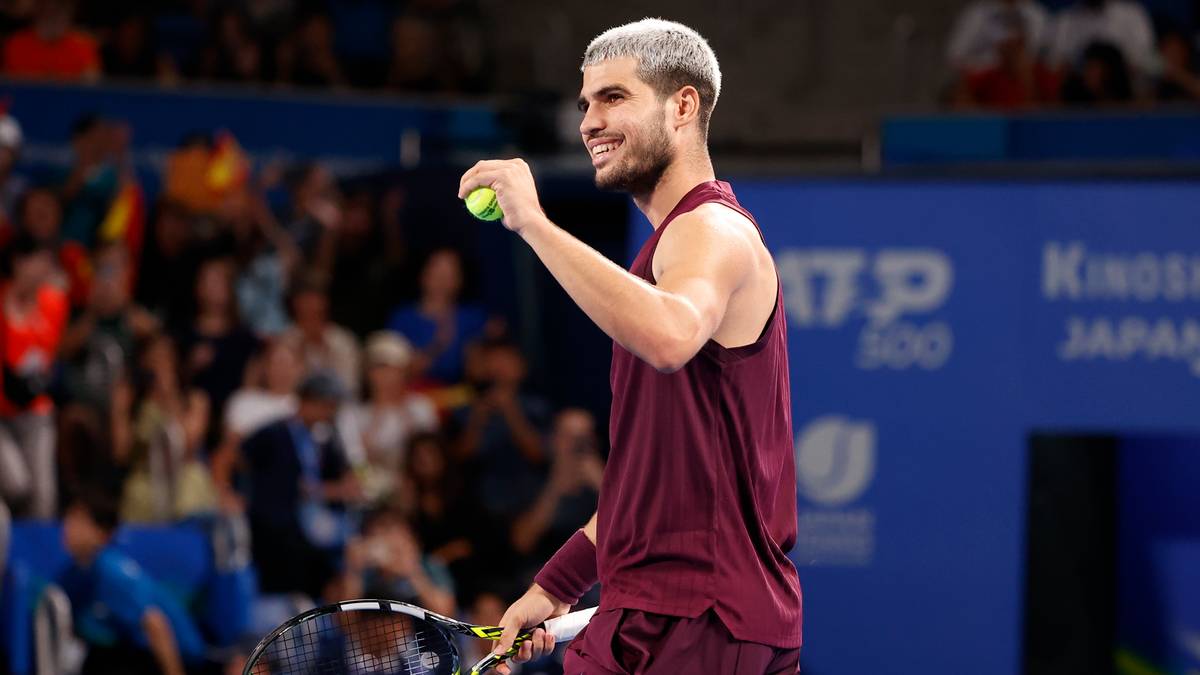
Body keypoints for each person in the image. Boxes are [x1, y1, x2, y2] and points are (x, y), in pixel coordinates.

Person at [458, 19, 801, 674]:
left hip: (688, 617)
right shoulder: (670, 247)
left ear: (682, 106)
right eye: (586, 103)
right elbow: (657, 481)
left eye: (614, 97)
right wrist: (556, 583)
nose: (589, 121)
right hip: (696, 615)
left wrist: (530, 222)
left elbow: (671, 336)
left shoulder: (710, 229)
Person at [230, 370, 361, 600]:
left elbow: (342, 476)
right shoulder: (273, 433)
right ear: (307, 401)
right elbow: (231, 458)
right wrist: (229, 495)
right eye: (326, 405)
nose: (330, 412)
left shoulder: (326, 438)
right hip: (275, 533)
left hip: (308, 535)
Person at [57, 489, 206, 675]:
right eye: (69, 518)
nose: (69, 527)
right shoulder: (73, 573)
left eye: (80, 521)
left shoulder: (111, 571)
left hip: (175, 657)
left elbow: (156, 625)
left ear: (102, 534)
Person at [0, 232, 68, 520]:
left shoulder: (55, 303)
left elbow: (48, 356)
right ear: (18, 263)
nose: (43, 269)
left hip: (34, 409)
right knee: (16, 485)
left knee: (43, 496)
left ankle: (36, 561)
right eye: (37, 261)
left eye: (47, 262)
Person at [349, 330, 438, 504]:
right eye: (378, 370)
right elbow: (357, 462)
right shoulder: (354, 413)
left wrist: (403, 411)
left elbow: (430, 454)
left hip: (417, 489)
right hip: (372, 494)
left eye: (392, 370)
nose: (385, 377)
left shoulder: (421, 407)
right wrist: (378, 413)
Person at [1, 0, 100, 81]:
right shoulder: (15, 45)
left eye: (61, 8)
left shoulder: (83, 47)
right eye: (48, 7)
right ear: (38, 10)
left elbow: (91, 92)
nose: (54, 13)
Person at [946, 0, 1050, 72]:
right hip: (984, 77)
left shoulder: (1036, 14)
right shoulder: (977, 13)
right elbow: (955, 55)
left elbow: (1041, 57)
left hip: (1024, 79)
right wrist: (995, 59)